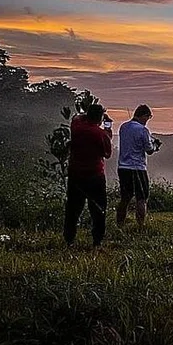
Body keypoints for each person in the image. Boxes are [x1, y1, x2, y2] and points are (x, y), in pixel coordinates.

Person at [64, 103, 112, 247]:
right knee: (98, 209)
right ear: (100, 118)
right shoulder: (100, 134)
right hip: (94, 175)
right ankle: (97, 241)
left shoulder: (76, 126)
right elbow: (107, 153)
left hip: (75, 174)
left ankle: (69, 239)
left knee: (73, 208)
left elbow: (76, 116)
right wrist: (108, 131)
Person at [116, 104, 160, 230]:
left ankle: (120, 224)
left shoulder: (123, 127)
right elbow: (149, 150)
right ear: (144, 116)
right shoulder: (143, 130)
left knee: (125, 198)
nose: (147, 121)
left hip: (123, 167)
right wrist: (155, 146)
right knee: (141, 198)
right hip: (137, 167)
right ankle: (141, 226)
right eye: (148, 117)